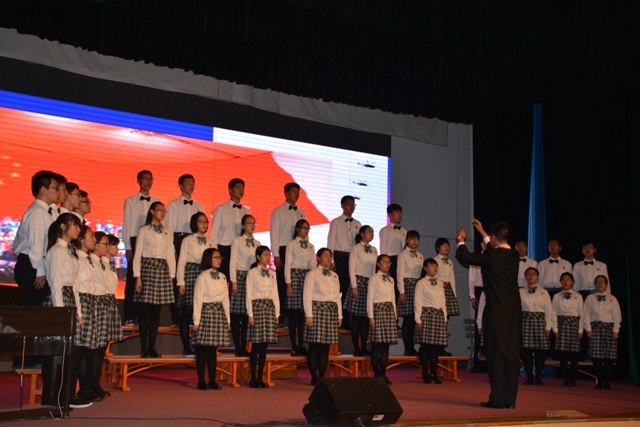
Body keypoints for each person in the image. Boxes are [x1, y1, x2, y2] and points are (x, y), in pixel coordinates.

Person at [456, 219, 521, 410]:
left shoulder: (491, 256)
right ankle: (509, 400)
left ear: (493, 238)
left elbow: (466, 257)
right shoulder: (514, 254)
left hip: (496, 312)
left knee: (495, 355)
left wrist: (461, 240)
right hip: (513, 312)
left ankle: (497, 400)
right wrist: (483, 232)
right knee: (511, 354)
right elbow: (495, 247)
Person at [133, 201, 176, 358]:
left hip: (162, 270)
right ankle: (143, 347)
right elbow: (138, 254)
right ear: (152, 211)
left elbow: (170, 254)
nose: (162, 213)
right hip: (147, 269)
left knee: (156, 313)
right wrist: (137, 276)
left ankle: (152, 347)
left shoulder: (167, 232)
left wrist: (172, 276)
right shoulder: (144, 230)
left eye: (164, 211)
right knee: (145, 312)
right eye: (160, 210)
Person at [13, 170, 61, 306]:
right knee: (31, 308)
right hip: (31, 265)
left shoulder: (48, 211)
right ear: (43, 190)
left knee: (37, 306)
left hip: (37, 263)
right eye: (55, 188)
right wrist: (40, 270)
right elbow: (36, 244)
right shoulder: (37, 212)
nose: (58, 192)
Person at [165, 174, 205, 327]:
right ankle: (176, 317)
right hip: (178, 239)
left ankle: (194, 316)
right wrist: (172, 248)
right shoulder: (173, 205)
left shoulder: (199, 206)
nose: (191, 186)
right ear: (180, 186)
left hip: (195, 240)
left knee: (195, 280)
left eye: (193, 183)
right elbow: (169, 229)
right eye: (187, 183)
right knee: (178, 277)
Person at [122, 170, 159, 325]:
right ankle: (130, 315)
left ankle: (145, 316)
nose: (148, 181)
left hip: (152, 242)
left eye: (150, 179)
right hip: (135, 240)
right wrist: (128, 246)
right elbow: (127, 224)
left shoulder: (156, 201)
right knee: (132, 278)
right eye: (144, 179)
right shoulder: (130, 201)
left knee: (149, 279)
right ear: (138, 181)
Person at [176, 212, 215, 355]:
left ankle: (200, 345)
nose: (204, 224)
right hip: (191, 275)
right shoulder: (187, 240)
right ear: (194, 223)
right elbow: (181, 261)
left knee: (203, 312)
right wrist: (181, 282)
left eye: (206, 222)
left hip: (205, 276)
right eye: (201, 221)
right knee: (188, 311)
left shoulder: (211, 242)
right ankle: (186, 347)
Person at [193, 248, 231, 391]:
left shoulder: (222, 277)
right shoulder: (202, 277)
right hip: (206, 313)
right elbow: (198, 299)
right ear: (208, 259)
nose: (219, 260)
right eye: (216, 257)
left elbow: (225, 299)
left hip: (218, 313)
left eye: (220, 257)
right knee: (202, 349)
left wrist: (227, 319)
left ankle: (213, 381)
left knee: (213, 349)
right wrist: (196, 321)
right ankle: (201, 381)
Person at [73, 225, 103, 404]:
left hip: (91, 302)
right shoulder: (77, 259)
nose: (94, 240)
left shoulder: (89, 260)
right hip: (82, 302)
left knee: (89, 349)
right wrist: (79, 312)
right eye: (91, 236)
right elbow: (75, 285)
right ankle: (81, 390)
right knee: (81, 349)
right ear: (81, 240)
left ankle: (87, 388)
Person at [304, 248, 342, 385]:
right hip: (317, 310)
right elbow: (307, 294)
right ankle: (314, 377)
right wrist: (309, 315)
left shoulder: (334, 276)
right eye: (325, 255)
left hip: (331, 311)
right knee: (314, 345)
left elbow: (337, 296)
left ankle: (322, 377)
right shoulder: (312, 274)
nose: (328, 258)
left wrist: (340, 315)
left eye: (330, 256)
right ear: (318, 258)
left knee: (325, 346)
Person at [270, 182, 306, 326]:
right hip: (284, 249)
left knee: (297, 284)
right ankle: (281, 315)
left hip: (299, 250)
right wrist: (276, 254)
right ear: (286, 193)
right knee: (283, 283)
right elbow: (274, 234)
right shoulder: (278, 211)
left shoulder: (301, 212)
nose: (296, 194)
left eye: (297, 192)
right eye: (293, 191)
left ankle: (295, 317)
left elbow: (305, 232)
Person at [246, 246, 279, 388]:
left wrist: (277, 313)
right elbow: (248, 293)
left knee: (264, 346)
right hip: (257, 307)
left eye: (268, 254)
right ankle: (253, 378)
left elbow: (275, 293)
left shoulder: (272, 273)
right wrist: (250, 314)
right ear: (258, 257)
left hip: (269, 307)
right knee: (256, 345)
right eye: (265, 255)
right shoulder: (252, 272)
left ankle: (260, 378)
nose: (267, 257)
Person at [90, 231, 118, 398]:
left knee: (101, 347)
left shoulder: (108, 264)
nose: (112, 248)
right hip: (100, 304)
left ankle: (95, 384)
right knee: (96, 348)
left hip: (108, 304)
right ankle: (91, 384)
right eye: (108, 244)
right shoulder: (97, 263)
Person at [327, 195, 361, 329]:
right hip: (339, 257)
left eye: (353, 204)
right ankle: (334, 318)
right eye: (349, 204)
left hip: (352, 257)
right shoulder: (335, 222)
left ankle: (345, 320)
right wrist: (331, 260)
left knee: (348, 290)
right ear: (342, 205)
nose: (351, 207)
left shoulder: (358, 224)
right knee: (337, 288)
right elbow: (331, 242)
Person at [228, 214, 260, 356]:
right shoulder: (237, 241)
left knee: (247, 315)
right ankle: (238, 348)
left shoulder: (257, 243)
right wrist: (233, 281)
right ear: (243, 226)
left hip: (252, 278)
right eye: (249, 223)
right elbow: (232, 261)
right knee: (236, 316)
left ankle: (245, 347)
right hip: (240, 276)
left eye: (254, 223)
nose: (252, 226)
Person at [583, 275, 621, 390]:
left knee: (609, 358)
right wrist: (588, 329)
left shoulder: (612, 299)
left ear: (606, 285)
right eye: (598, 282)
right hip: (595, 328)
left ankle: (607, 382)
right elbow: (586, 314)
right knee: (597, 357)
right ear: (595, 284)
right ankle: (599, 382)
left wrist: (616, 330)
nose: (600, 284)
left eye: (602, 282)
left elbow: (617, 315)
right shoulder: (590, 298)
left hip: (609, 328)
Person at [344, 225, 378, 356]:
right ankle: (356, 348)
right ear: (362, 234)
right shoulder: (356, 248)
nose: (371, 234)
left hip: (370, 283)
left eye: (372, 232)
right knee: (356, 318)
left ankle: (364, 346)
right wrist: (354, 286)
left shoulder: (374, 250)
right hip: (358, 282)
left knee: (365, 318)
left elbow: (375, 269)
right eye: (369, 231)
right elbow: (351, 268)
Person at [284, 219, 315, 356]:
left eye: (308, 228)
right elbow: (287, 265)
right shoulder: (291, 245)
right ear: (297, 229)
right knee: (293, 316)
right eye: (303, 228)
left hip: (307, 278)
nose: (306, 230)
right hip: (295, 278)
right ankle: (294, 346)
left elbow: (313, 265)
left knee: (304, 314)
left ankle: (302, 346)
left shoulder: (311, 246)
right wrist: (288, 284)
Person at [210, 178, 250, 281]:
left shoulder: (246, 211)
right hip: (225, 247)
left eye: (242, 188)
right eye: (238, 187)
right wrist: (215, 251)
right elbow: (215, 230)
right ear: (230, 190)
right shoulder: (221, 208)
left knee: (238, 277)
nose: (241, 190)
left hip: (241, 248)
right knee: (223, 277)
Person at [415, 258, 447, 384]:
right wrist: (418, 319)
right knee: (425, 346)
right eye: (432, 265)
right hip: (426, 315)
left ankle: (434, 373)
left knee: (435, 347)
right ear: (425, 268)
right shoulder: (421, 283)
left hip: (438, 315)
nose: (435, 268)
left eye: (436, 266)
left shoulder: (440, 283)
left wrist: (445, 318)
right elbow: (418, 302)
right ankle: (425, 373)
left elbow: (443, 301)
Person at [519, 267, 553, 386]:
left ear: (538, 277)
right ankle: (529, 378)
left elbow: (548, 310)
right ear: (525, 277)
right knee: (526, 351)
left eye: (533, 274)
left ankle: (538, 378)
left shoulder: (544, 292)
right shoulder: (520, 291)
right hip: (525, 322)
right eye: (528, 274)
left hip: (540, 323)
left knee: (539, 352)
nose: (531, 276)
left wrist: (548, 327)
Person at [368, 255, 397, 384]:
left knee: (386, 346)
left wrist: (395, 315)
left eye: (389, 262)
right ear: (378, 264)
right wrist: (371, 316)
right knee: (376, 345)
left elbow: (393, 298)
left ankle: (383, 374)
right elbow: (370, 298)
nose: (387, 264)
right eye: (384, 262)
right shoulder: (374, 278)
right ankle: (376, 374)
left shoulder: (391, 279)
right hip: (378, 311)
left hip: (389, 312)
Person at [551, 272, 584, 387]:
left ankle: (573, 380)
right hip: (561, 324)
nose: (565, 282)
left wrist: (581, 330)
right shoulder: (556, 296)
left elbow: (582, 314)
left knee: (574, 355)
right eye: (563, 279)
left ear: (572, 282)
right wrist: (555, 329)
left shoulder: (578, 296)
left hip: (574, 325)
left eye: (568, 279)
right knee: (563, 355)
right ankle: (565, 379)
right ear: (560, 282)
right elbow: (553, 313)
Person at [396, 230, 424, 356]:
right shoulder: (402, 254)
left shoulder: (420, 256)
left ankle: (411, 347)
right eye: (412, 239)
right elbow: (400, 274)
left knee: (415, 317)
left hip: (418, 287)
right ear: (407, 240)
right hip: (407, 286)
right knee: (408, 318)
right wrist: (401, 291)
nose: (414, 242)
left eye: (416, 239)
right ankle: (408, 348)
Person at [468, 241, 486, 372]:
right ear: (481, 244)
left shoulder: (496, 257)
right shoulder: (476, 259)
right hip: (479, 290)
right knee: (480, 322)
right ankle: (479, 360)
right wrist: (473, 295)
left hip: (493, 289)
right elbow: (471, 279)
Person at [378, 203, 406, 286]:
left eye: (400, 213)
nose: (399, 215)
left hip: (401, 260)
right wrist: (385, 264)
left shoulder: (404, 231)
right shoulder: (385, 230)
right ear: (390, 215)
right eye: (397, 213)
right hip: (391, 260)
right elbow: (383, 249)